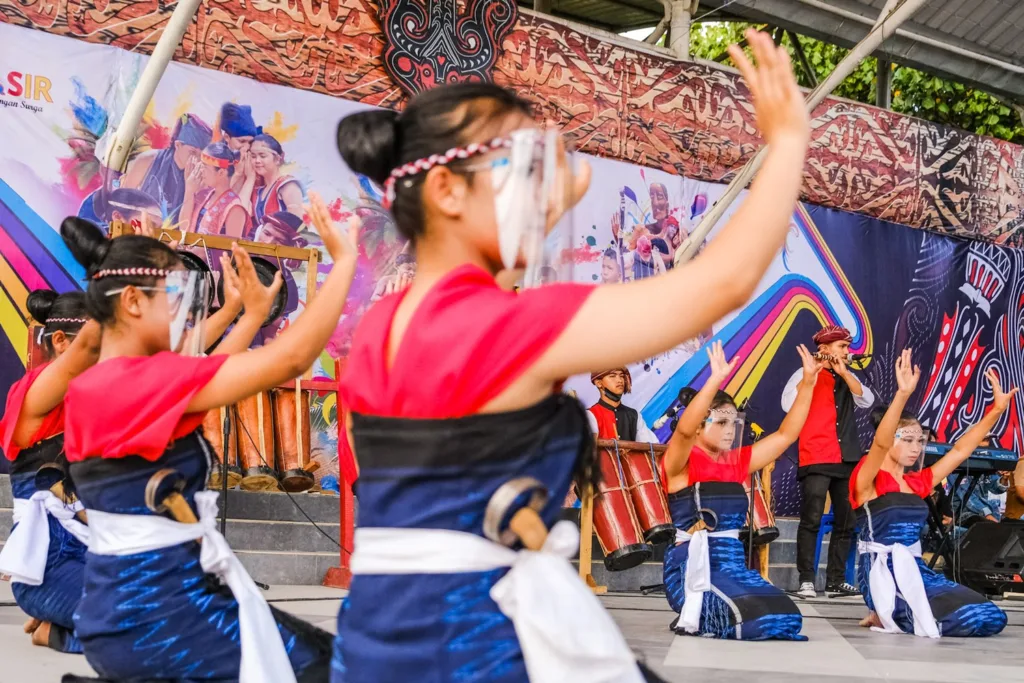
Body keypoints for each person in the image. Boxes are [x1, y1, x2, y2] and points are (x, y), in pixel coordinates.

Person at [331, 27, 809, 682]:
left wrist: (534, 216)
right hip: (473, 644)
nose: (540, 188)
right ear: (445, 190)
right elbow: (723, 282)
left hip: (377, 638)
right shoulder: (512, 327)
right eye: (522, 170)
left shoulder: (380, 328)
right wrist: (785, 143)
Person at [57, 197, 358, 682]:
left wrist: (250, 316)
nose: (188, 311)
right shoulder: (139, 381)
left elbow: (209, 375)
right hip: (164, 617)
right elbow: (289, 361)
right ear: (133, 301)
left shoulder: (104, 384)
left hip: (128, 610)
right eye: (176, 295)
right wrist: (344, 262)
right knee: (335, 668)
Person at [659, 341, 820, 640]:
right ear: (699, 426)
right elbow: (682, 430)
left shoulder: (737, 461)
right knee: (757, 622)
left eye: (733, 422)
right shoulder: (680, 462)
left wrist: (808, 384)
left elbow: (786, 435)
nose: (730, 429)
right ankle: (693, 611)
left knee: (787, 618)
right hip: (693, 569)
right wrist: (714, 379)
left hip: (733, 566)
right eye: (721, 422)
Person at [850, 350, 1011, 637]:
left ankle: (893, 615)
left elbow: (961, 450)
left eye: (920, 441)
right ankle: (882, 611)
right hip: (882, 574)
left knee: (991, 615)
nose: (916, 448)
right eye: (908, 440)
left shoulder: (917, 481)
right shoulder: (869, 478)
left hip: (917, 571)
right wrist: (902, 394)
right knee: (966, 618)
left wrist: (996, 411)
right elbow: (879, 444)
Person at [0, 290, 98, 654]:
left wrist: (239, 312)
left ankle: (64, 620)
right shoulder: (35, 396)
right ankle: (57, 631)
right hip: (49, 567)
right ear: (60, 341)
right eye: (96, 347)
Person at [782, 324, 875, 598]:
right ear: (824, 348)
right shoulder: (804, 373)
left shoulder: (848, 376)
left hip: (846, 457)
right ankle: (806, 580)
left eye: (847, 347)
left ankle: (835, 581)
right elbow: (788, 404)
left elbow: (866, 400)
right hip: (816, 455)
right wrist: (812, 375)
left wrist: (845, 373)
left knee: (846, 521)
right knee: (811, 518)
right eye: (842, 347)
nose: (848, 352)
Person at [120, 113, 213, 225]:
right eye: (192, 152)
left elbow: (189, 227)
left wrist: (191, 189)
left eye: (201, 154)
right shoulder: (147, 160)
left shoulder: (202, 178)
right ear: (178, 145)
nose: (197, 159)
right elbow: (123, 202)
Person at [183, 141, 249, 238]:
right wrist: (189, 190)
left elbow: (231, 249)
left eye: (204, 167)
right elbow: (183, 227)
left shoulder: (235, 208)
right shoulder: (203, 194)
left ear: (221, 173)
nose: (200, 171)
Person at [239, 134, 305, 231]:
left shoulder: (287, 185)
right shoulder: (258, 190)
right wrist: (250, 178)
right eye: (253, 156)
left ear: (278, 159)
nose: (257, 161)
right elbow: (239, 217)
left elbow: (296, 227)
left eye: (262, 156)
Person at [587, 368, 657, 442]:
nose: (620, 380)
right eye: (612, 376)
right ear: (599, 383)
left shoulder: (633, 414)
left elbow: (653, 447)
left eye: (622, 376)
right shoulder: (590, 415)